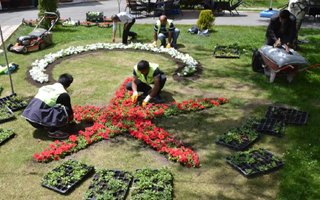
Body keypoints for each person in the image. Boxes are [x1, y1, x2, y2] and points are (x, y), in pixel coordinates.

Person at [22, 73, 74, 139]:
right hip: (37, 120)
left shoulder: (45, 87)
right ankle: (53, 132)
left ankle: (45, 125)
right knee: (65, 110)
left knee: (51, 106)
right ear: (68, 85)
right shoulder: (62, 93)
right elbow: (69, 110)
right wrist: (70, 120)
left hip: (29, 116)